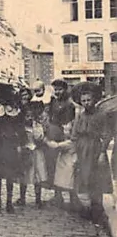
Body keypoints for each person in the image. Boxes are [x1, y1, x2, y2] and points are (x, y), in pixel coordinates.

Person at [70, 82, 113, 224]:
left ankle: (97, 210)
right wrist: (75, 154)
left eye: (89, 100)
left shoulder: (101, 115)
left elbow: (107, 134)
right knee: (83, 178)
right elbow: (74, 135)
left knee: (96, 179)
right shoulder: (80, 116)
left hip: (95, 149)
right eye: (84, 101)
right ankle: (85, 209)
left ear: (94, 100)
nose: (86, 103)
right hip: (82, 150)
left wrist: (102, 153)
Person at [0, 83, 25, 214]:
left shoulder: (14, 110)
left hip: (10, 145)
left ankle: (9, 202)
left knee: (10, 175)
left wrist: (20, 144)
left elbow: (20, 129)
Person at [43, 78, 77, 207]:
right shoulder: (53, 102)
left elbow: (69, 122)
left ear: (65, 89)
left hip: (64, 136)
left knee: (67, 167)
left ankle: (72, 197)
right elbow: (50, 116)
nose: (57, 92)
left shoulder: (69, 104)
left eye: (60, 89)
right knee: (53, 166)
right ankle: (58, 196)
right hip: (53, 135)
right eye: (55, 89)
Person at [17, 87, 47, 209]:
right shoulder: (22, 127)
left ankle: (38, 199)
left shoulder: (37, 126)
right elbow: (19, 138)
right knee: (24, 175)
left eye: (31, 116)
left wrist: (37, 128)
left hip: (36, 152)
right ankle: (22, 197)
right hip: (25, 151)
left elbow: (40, 137)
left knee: (37, 176)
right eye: (27, 116)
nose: (29, 118)